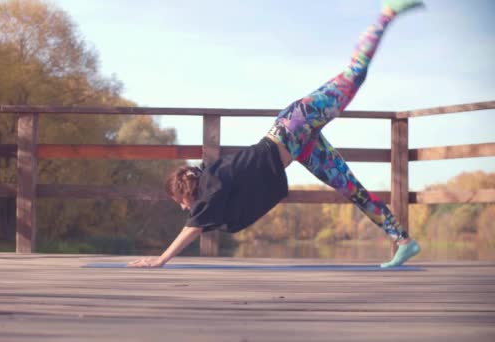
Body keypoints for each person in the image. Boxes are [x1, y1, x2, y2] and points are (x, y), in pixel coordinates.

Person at [128, 0, 424, 269]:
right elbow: (204, 217)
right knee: (351, 188)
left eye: (179, 201)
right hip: (300, 146)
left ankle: (387, 12)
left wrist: (161, 259)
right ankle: (404, 242)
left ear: (186, 191)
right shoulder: (210, 186)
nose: (182, 207)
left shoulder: (211, 184)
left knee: (353, 75)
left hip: (297, 122)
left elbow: (193, 225)